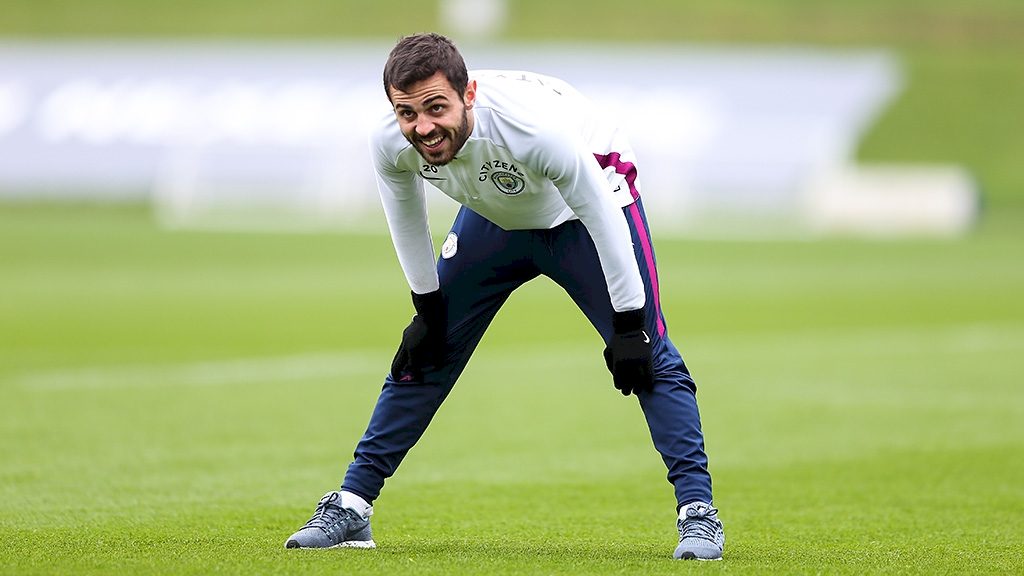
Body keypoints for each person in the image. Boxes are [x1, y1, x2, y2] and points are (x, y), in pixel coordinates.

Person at [284, 32, 725, 561]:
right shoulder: (390, 139)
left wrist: (631, 324)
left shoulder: (534, 133)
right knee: (426, 349)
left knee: (649, 355)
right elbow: (405, 214)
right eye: (407, 113)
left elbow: (601, 212)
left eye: (436, 108)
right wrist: (427, 306)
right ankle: (351, 506)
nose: (423, 128)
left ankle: (699, 515)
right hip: (496, 221)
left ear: (468, 95)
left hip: (582, 212)